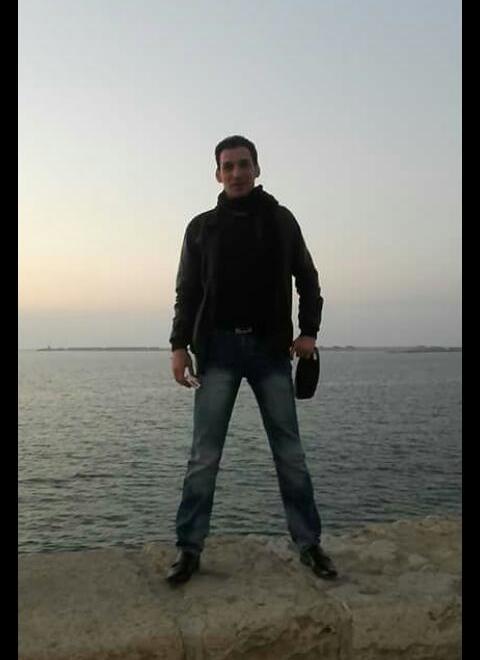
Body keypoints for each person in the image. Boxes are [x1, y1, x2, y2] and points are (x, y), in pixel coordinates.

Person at [166, 135, 337, 584]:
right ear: (217, 174)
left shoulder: (280, 220)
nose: (237, 173)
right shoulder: (201, 228)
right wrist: (179, 345)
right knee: (204, 456)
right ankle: (188, 549)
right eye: (228, 166)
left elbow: (308, 278)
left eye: (244, 164)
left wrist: (309, 331)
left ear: (257, 169)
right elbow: (187, 292)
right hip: (217, 351)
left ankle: (309, 544)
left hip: (269, 350)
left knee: (289, 453)